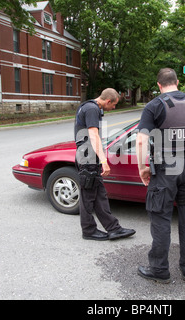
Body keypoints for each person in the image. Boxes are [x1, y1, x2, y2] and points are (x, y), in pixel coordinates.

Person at [136, 69, 185, 283]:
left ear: (159, 85)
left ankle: (160, 270)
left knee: (160, 216)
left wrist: (143, 167)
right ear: (177, 82)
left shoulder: (154, 106)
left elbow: (142, 141)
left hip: (165, 168)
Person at [74, 88, 136, 241]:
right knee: (88, 197)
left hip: (89, 158)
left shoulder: (90, 107)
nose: (113, 108)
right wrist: (103, 161)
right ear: (108, 101)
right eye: (114, 105)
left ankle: (113, 228)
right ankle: (88, 231)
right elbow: (93, 136)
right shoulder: (92, 109)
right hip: (88, 158)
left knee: (99, 195)